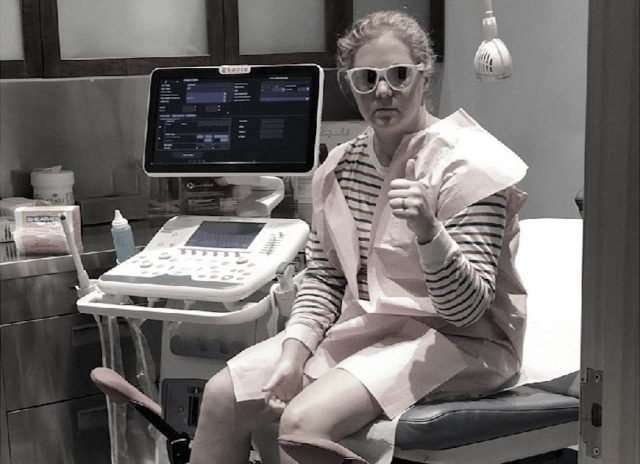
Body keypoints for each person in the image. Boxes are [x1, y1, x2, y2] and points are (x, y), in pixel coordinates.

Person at [189, 10, 528, 464]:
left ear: (425, 75)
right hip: (368, 331)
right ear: (350, 85)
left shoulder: (470, 166)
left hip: (459, 342)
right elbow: (325, 277)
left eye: (398, 75)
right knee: (222, 397)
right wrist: (294, 350)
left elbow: (467, 310)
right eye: (367, 79)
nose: (383, 90)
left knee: (302, 424)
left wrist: (429, 233)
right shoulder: (341, 168)